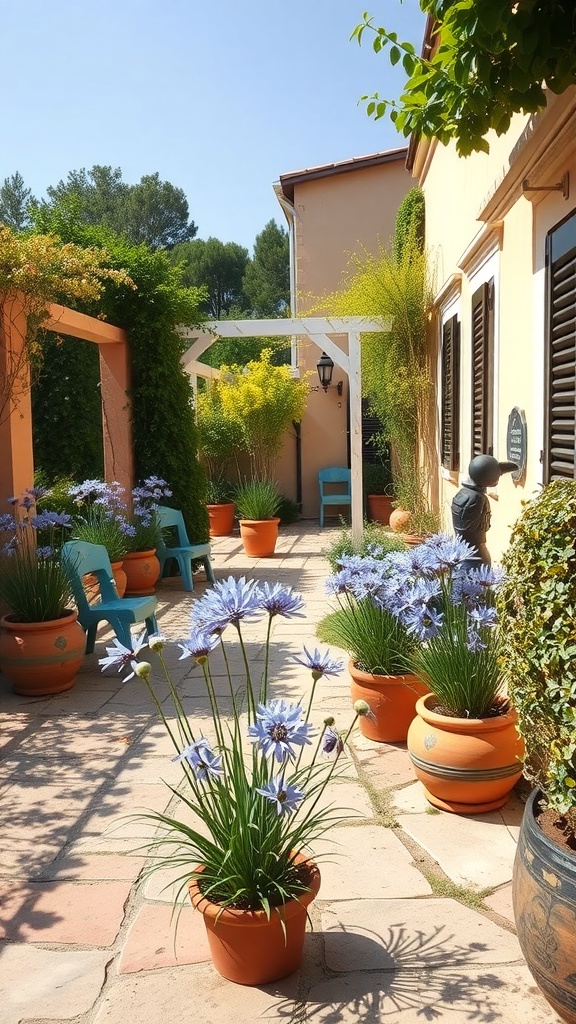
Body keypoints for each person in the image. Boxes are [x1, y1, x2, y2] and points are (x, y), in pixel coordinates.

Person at [451, 455, 517, 565]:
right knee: (478, 576)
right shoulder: (478, 498)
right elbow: (482, 526)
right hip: (475, 551)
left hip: (459, 549)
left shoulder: (462, 493)